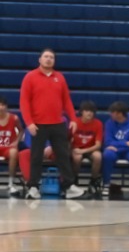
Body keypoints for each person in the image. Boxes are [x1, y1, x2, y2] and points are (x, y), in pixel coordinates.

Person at [19, 48, 85, 199]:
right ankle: (33, 186)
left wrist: (73, 119)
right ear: (40, 59)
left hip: (57, 123)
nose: (48, 59)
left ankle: (68, 186)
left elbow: (66, 100)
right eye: (46, 56)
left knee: (63, 155)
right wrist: (29, 122)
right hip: (38, 124)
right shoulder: (30, 77)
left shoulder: (59, 77)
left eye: (51, 57)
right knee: (36, 156)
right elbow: (24, 102)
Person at [102, 101, 129, 199]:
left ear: (120, 114)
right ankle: (106, 184)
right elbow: (108, 142)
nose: (110, 114)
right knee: (107, 155)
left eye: (113, 112)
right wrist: (126, 143)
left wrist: (117, 144)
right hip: (115, 150)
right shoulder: (109, 123)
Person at [70, 100, 103, 197]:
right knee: (77, 158)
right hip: (76, 148)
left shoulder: (98, 124)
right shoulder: (75, 123)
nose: (89, 113)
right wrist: (72, 149)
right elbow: (68, 140)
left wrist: (83, 151)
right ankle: (74, 180)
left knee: (98, 156)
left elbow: (98, 145)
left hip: (90, 149)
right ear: (81, 112)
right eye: (87, 111)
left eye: (91, 111)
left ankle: (93, 181)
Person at [0, 95, 24, 196]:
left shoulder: (14, 118)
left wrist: (16, 141)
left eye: (3, 105)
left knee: (14, 152)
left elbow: (21, 131)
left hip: (8, 147)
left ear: (6, 106)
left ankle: (11, 183)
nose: (1, 107)